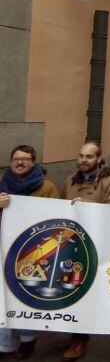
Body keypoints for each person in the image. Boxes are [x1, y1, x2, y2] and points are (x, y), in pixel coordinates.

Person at [61, 142, 110, 361]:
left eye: (89, 156)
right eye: (81, 156)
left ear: (98, 159)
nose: (84, 160)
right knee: (71, 286)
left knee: (88, 290)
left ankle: (80, 338)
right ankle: (74, 330)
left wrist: (86, 204)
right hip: (72, 243)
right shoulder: (69, 181)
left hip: (96, 245)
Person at [0, 145, 59, 359]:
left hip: (34, 250)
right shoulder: (2, 184)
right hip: (4, 248)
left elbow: (56, 216)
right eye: (16, 158)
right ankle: (4, 344)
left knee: (27, 294)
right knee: (2, 296)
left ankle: (28, 339)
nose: (20, 162)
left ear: (34, 162)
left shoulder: (47, 187)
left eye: (25, 159)